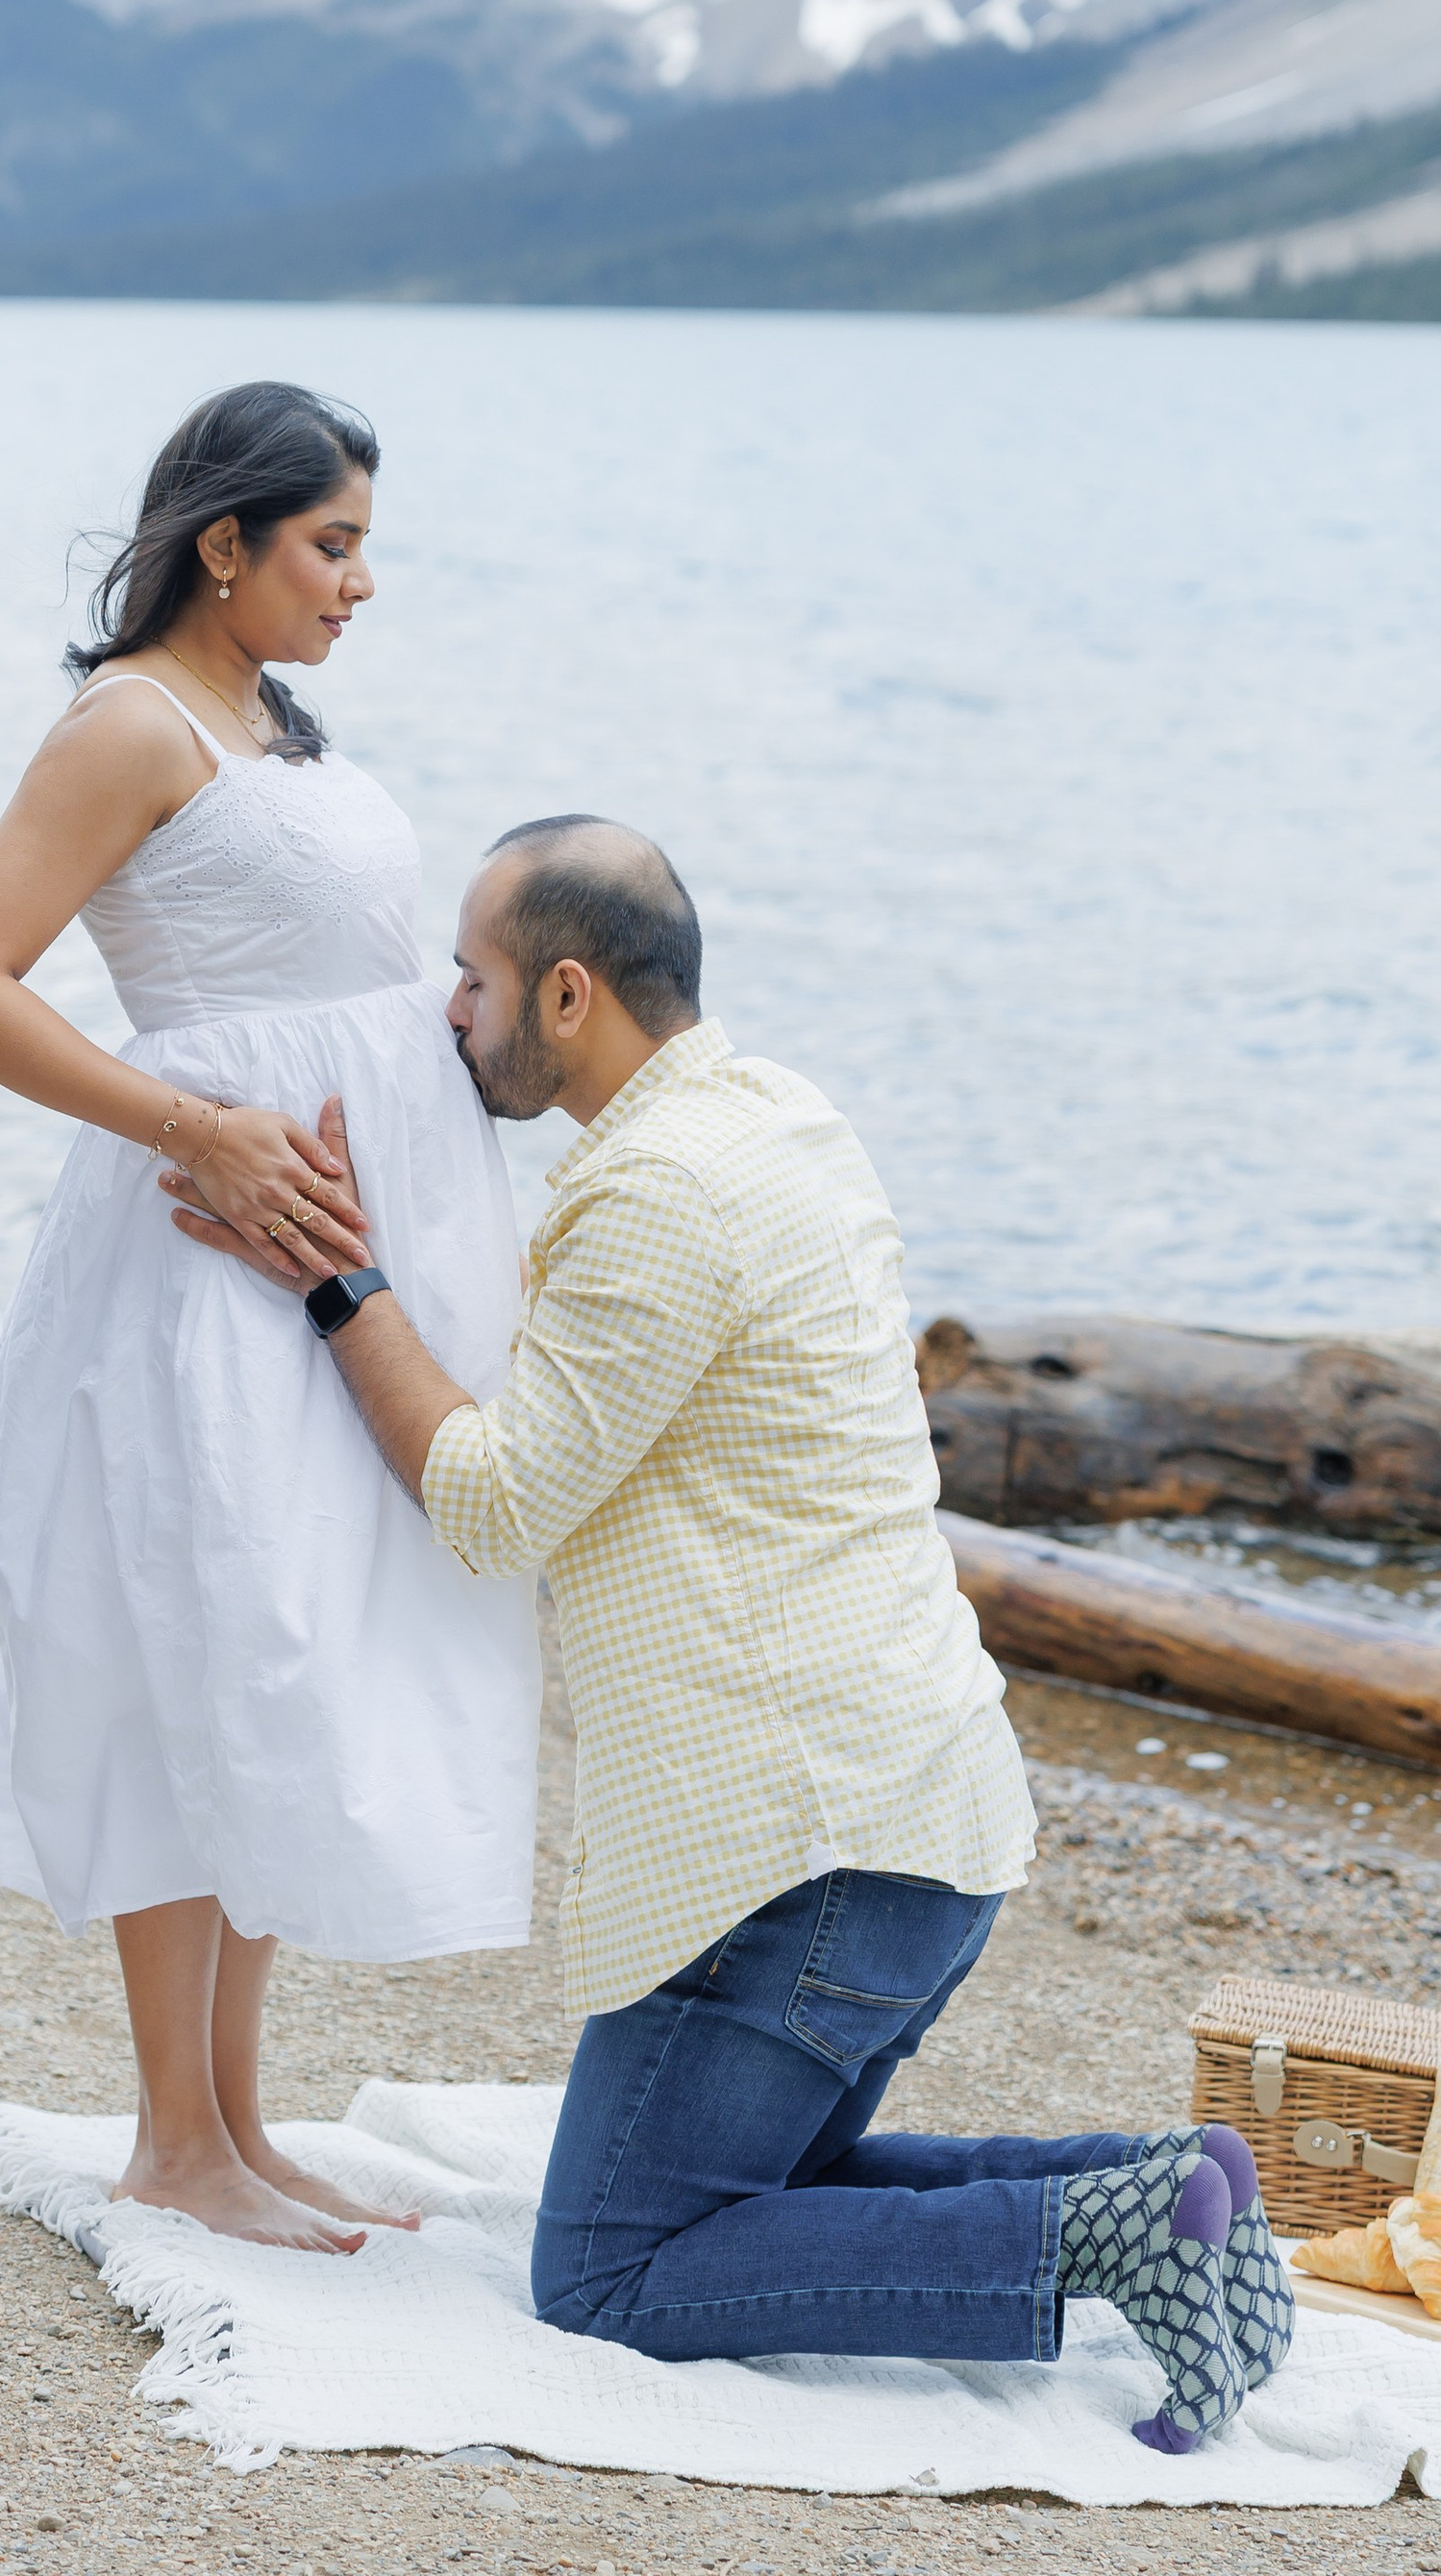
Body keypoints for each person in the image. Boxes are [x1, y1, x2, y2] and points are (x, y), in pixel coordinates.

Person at [169, 816, 1293, 2438]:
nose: (448, 1013)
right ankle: (1168, 2190)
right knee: (779, 2182)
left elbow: (492, 1505)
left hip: (800, 1865)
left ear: (568, 995)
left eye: (472, 979)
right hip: (925, 1819)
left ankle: (1096, 2232)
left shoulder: (657, 1198)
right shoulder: (783, 1119)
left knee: (616, 2268)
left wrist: (345, 1286)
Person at [0, 381, 538, 2253]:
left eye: (362, 547)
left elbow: (334, 977)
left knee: (284, 1648)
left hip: (324, 1259)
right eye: (330, 545)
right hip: (201, 1247)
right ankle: (172, 2134)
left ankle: (238, 2122)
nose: (358, 583)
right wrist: (196, 1124)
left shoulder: (266, 723)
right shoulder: (127, 724)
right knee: (197, 1646)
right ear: (224, 545)